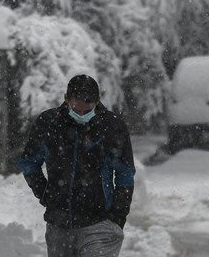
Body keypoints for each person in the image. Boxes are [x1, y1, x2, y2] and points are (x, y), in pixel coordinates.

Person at [19, 74, 136, 257]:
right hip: (58, 225)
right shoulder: (49, 123)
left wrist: (117, 217)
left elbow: (125, 173)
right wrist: (44, 193)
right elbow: (29, 162)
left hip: (100, 224)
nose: (82, 115)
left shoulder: (112, 127)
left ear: (97, 101)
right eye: (76, 108)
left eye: (87, 109)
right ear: (66, 99)